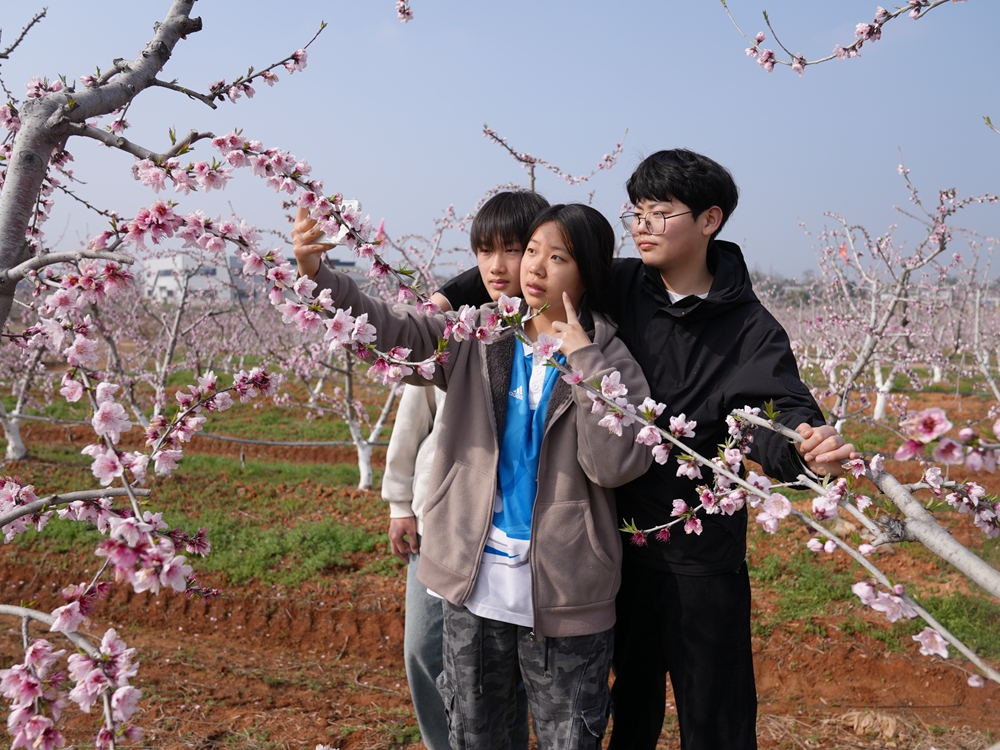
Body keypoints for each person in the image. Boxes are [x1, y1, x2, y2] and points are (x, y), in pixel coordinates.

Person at [438, 149, 857, 750]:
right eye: (636, 212)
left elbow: (775, 416)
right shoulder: (623, 284)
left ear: (709, 220)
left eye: (660, 213)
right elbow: (526, 275)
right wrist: (448, 301)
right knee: (621, 713)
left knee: (714, 715)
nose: (642, 226)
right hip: (612, 548)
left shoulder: (749, 328)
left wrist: (805, 447)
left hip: (698, 558)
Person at [293, 202, 653, 750]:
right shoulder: (477, 335)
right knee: (475, 736)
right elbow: (393, 333)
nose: (532, 267)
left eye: (556, 257)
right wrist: (320, 278)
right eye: (531, 251)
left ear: (589, 272)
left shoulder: (612, 361)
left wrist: (584, 364)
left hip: (565, 598)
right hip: (473, 588)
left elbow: (613, 465)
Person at [382, 191, 547, 750]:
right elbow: (414, 416)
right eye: (484, 252)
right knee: (426, 648)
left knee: (515, 662)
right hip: (445, 517)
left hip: (522, 529)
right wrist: (400, 500)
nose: (498, 267)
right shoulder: (460, 331)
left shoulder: (563, 335)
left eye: (514, 250)